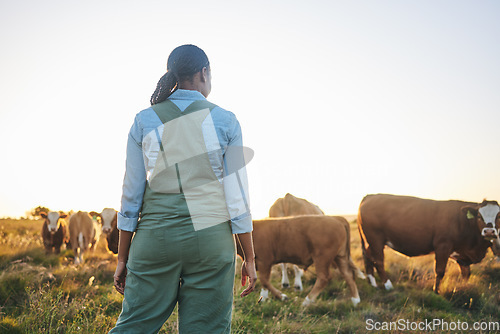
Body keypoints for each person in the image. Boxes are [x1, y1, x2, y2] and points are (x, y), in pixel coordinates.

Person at [109, 44, 257, 334]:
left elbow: (130, 197)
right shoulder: (226, 120)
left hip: (154, 240)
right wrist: (249, 258)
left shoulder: (144, 119)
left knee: (132, 328)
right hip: (211, 243)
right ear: (204, 73)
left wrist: (123, 258)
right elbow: (237, 198)